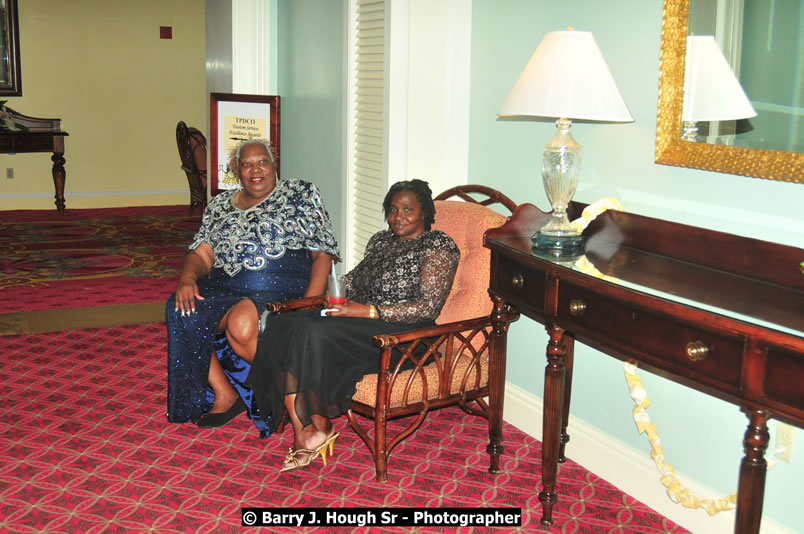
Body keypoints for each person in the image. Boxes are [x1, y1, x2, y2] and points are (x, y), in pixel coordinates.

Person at [246, 179, 460, 471]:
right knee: (285, 324)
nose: (398, 217)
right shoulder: (381, 241)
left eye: (408, 209)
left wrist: (367, 311)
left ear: (425, 212)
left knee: (312, 331)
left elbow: (428, 307)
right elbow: (353, 280)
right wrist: (330, 293)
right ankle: (308, 428)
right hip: (359, 320)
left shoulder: (437, 244)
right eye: (393, 209)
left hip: (405, 333)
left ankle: (316, 427)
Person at [166, 139, 339, 437]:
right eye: (246, 164)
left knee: (242, 322)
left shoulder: (299, 193)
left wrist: (310, 303)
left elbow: (322, 253)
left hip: (281, 287)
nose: (255, 170)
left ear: (274, 165)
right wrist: (187, 279)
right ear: (237, 171)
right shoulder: (219, 204)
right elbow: (202, 253)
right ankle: (225, 393)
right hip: (224, 286)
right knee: (182, 308)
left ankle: (298, 395)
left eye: (262, 162)